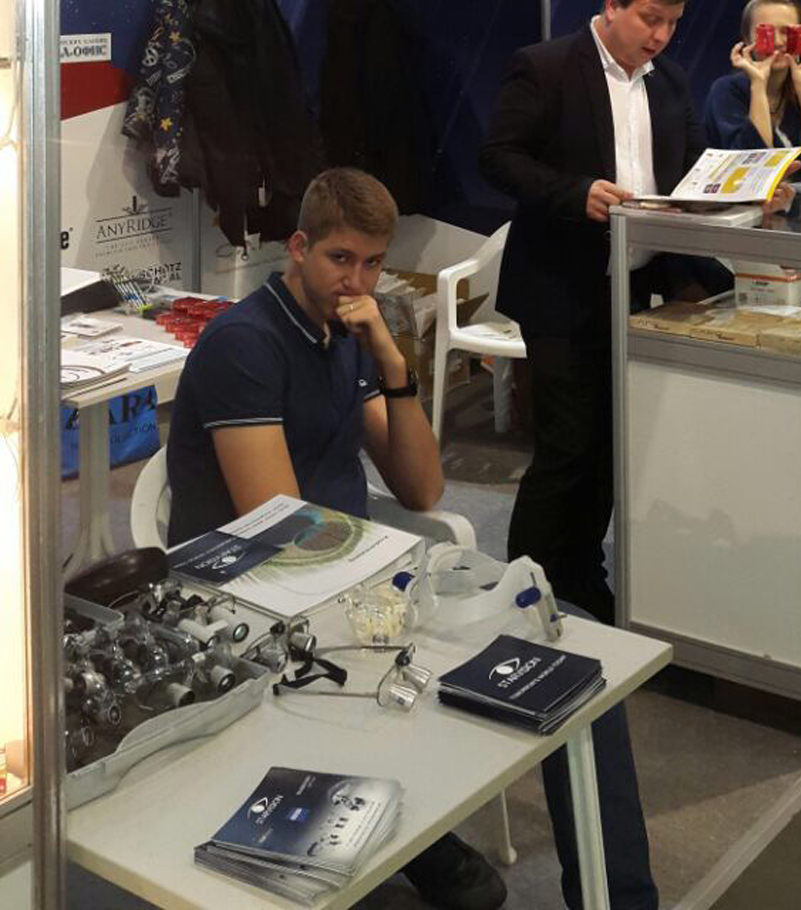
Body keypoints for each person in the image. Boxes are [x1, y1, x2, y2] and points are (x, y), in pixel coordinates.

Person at [167, 166, 657, 910]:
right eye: (339, 258)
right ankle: (410, 832)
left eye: (371, 263)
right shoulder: (246, 345)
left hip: (349, 581)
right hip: (258, 601)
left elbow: (422, 489)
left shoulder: (346, 334)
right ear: (297, 248)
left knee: (579, 654)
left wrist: (393, 365)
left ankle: (619, 899)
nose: (356, 280)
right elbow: (281, 527)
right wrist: (386, 587)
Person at [479, 0, 725, 629]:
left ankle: (584, 573)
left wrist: (744, 192)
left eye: (672, 23)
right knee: (566, 447)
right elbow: (496, 158)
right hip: (560, 288)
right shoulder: (546, 66)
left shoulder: (671, 81)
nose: (661, 36)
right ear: (612, 5)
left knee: (611, 447)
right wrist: (574, 192)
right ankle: (524, 588)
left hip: (634, 289)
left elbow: (691, 172)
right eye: (650, 19)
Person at [704, 0, 801, 165]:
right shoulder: (725, 91)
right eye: (766, 33)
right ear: (747, 40)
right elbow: (754, 164)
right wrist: (758, 85)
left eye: (787, 32)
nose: (777, 42)